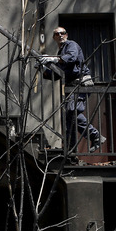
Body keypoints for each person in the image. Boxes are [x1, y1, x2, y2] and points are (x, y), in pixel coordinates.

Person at [38, 26, 106, 154]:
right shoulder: (61, 54)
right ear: (54, 38)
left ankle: (94, 136)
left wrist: (53, 59)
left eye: (62, 33)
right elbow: (57, 74)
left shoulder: (71, 45)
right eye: (57, 34)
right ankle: (71, 148)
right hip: (72, 87)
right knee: (70, 116)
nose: (60, 35)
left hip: (81, 83)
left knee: (72, 111)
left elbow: (72, 57)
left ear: (66, 35)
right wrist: (43, 68)